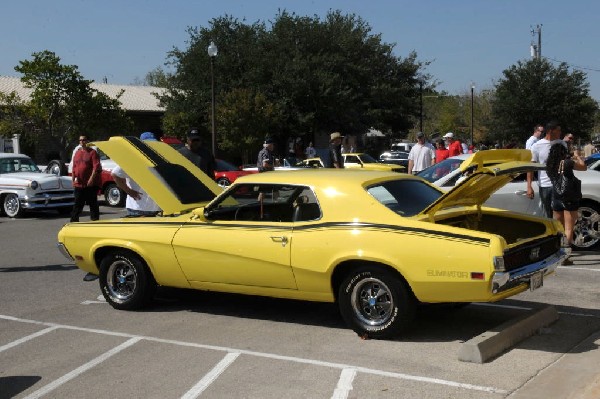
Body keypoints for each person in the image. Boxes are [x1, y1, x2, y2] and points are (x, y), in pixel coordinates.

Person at [546, 142, 585, 264]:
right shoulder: (567, 163)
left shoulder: (549, 165)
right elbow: (584, 167)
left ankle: (557, 253)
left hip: (556, 197)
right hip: (569, 197)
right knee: (569, 228)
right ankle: (565, 257)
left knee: (559, 228)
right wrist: (577, 156)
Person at [111, 132, 161, 217]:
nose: (151, 146)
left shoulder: (157, 159)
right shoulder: (132, 159)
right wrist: (129, 191)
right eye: (147, 144)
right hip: (137, 209)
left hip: (155, 208)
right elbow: (115, 174)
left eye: (152, 143)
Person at [526, 120, 566, 218]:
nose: (560, 133)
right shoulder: (536, 146)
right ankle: (552, 233)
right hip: (545, 185)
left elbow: (566, 163)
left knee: (561, 214)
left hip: (560, 184)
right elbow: (531, 167)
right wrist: (529, 186)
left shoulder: (562, 144)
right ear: (550, 131)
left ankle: (561, 232)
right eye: (558, 130)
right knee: (548, 214)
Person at [70, 135, 101, 223]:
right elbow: (74, 167)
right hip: (79, 183)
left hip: (90, 184)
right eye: (80, 140)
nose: (82, 142)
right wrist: (73, 179)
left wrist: (91, 179)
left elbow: (96, 167)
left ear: (87, 141)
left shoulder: (92, 152)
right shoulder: (77, 152)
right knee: (77, 204)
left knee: (93, 203)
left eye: (84, 140)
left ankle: (95, 221)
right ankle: (74, 222)